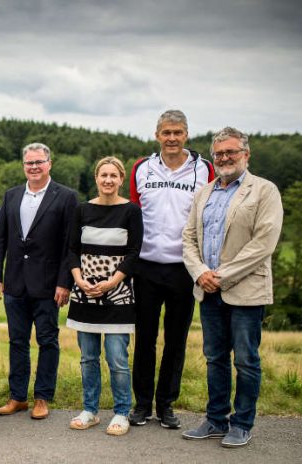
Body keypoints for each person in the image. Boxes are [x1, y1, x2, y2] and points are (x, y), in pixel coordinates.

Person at [181, 127, 283, 448]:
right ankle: (215, 419)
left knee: (246, 360)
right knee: (215, 358)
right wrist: (200, 273)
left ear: (245, 154)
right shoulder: (204, 193)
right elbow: (188, 239)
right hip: (208, 291)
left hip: (246, 292)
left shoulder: (264, 191)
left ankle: (242, 423)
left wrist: (221, 275)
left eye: (231, 152)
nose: (224, 158)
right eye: (219, 154)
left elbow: (263, 243)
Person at [129, 110, 214, 429]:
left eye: (178, 132)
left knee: (176, 340)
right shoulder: (141, 168)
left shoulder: (204, 169)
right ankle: (141, 404)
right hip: (147, 267)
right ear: (157, 135)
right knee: (145, 339)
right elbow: (135, 216)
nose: (172, 138)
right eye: (166, 132)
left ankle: (166, 405)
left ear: (187, 135)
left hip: (184, 268)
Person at [0, 142, 78, 420]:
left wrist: (65, 283)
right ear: (23, 165)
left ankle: (42, 397)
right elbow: (0, 239)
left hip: (49, 284)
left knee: (48, 340)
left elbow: (69, 244)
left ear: (49, 164)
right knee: (17, 341)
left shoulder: (65, 196)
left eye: (39, 162)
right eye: (29, 163)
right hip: (15, 282)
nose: (34, 167)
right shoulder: (12, 195)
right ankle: (17, 397)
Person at [66, 157, 143, 436]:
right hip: (84, 293)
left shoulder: (131, 211)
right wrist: (77, 279)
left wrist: (112, 282)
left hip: (118, 295)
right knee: (88, 358)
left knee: (117, 358)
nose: (108, 180)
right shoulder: (82, 210)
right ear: (96, 178)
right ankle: (90, 411)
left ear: (121, 179)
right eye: (103, 175)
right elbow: (72, 249)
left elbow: (135, 252)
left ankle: (122, 412)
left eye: (113, 175)